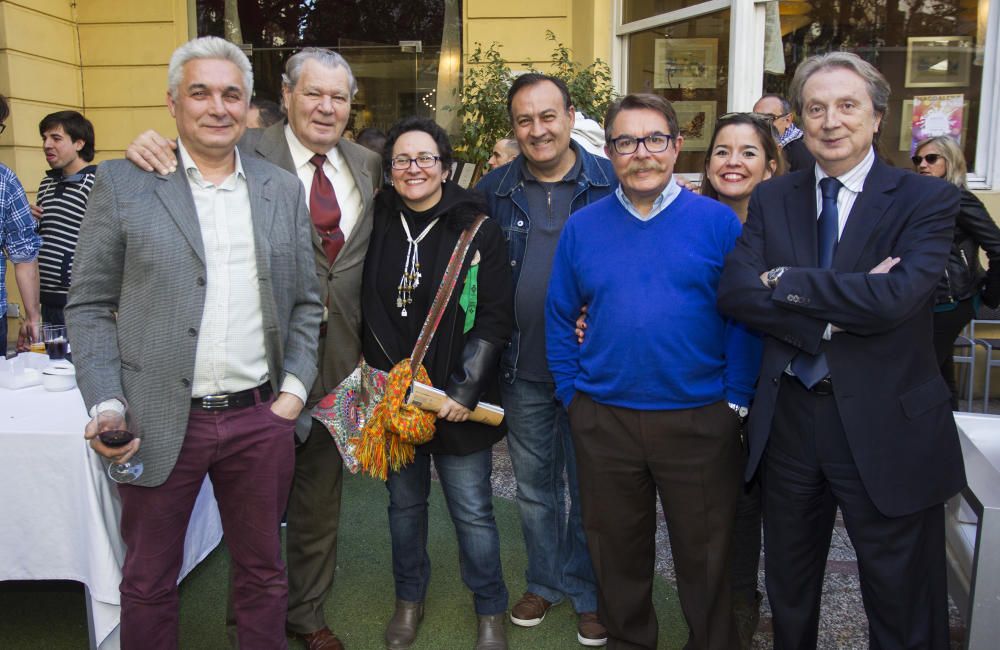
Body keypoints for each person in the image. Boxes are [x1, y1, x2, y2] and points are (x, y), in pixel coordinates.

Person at [66, 36, 323, 649]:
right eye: (200, 92)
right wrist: (107, 402)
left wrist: (291, 393)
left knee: (263, 575)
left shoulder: (279, 190)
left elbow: (307, 303)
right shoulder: (123, 184)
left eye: (231, 94)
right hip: (154, 419)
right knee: (149, 577)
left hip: (259, 419)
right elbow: (89, 305)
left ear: (249, 106)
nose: (217, 107)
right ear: (173, 103)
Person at [126, 47, 382, 650]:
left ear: (351, 107)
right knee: (252, 521)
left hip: (341, 367)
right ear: (286, 96)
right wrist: (148, 145)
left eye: (339, 97)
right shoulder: (242, 151)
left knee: (320, 502)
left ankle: (306, 615)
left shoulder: (369, 164)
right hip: (254, 372)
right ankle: (248, 624)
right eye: (313, 93)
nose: (326, 107)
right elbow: (188, 147)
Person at [718, 52, 966, 649]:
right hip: (793, 422)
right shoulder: (776, 198)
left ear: (877, 116)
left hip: (888, 422)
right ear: (800, 120)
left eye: (847, 106)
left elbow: (899, 299)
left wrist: (787, 280)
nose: (832, 121)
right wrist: (833, 318)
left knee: (903, 598)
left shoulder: (924, 199)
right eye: (816, 108)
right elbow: (735, 293)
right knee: (791, 588)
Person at [546, 93, 761, 650]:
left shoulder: (717, 224)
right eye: (626, 142)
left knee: (706, 556)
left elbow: (745, 318)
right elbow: (558, 314)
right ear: (609, 150)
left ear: (675, 145)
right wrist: (574, 396)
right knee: (616, 552)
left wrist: (734, 400)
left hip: (698, 419)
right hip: (605, 420)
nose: (641, 153)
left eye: (654, 140)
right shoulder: (584, 226)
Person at [476, 72, 616, 647]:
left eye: (548, 116)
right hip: (522, 368)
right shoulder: (493, 189)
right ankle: (543, 580)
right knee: (535, 488)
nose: (538, 130)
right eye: (525, 120)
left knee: (590, 489)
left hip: (596, 371)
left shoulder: (611, 181)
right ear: (514, 127)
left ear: (570, 115)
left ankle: (587, 591)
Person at [363, 117, 512, 650]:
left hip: (455, 401)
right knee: (404, 507)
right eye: (402, 159)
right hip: (396, 401)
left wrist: (462, 391)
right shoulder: (376, 219)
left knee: (471, 510)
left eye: (425, 158)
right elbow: (365, 306)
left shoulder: (477, 227)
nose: (414, 168)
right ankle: (409, 599)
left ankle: (490, 609)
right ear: (390, 170)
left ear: (446, 167)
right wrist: (393, 384)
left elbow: (495, 317)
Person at [701, 112, 783, 648]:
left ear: (771, 167)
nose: (733, 162)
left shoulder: (789, 227)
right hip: (707, 387)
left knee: (771, 503)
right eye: (722, 151)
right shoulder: (689, 219)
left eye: (748, 152)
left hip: (777, 387)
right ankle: (727, 609)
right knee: (720, 506)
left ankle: (749, 604)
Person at [914, 135, 1000, 408]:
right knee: (940, 371)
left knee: (920, 374)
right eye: (918, 160)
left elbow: (997, 245)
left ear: (951, 162)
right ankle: (952, 434)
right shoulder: (926, 200)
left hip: (953, 301)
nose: (922, 165)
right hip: (931, 301)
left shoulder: (959, 198)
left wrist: (990, 293)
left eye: (931, 159)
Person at [31, 110, 97, 327]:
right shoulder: (46, 184)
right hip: (47, 301)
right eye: (45, 138)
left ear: (79, 143)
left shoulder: (97, 183)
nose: (47, 145)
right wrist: (29, 220)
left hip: (81, 304)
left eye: (56, 138)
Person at [0, 93, 42, 353]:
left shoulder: (5, 181)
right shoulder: (4, 181)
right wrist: (32, 316)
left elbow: (24, 257)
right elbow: (24, 258)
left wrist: (32, 316)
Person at [753, 93, 814, 172]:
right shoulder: (752, 145)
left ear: (788, 120)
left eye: (769, 118)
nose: (760, 124)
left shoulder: (802, 153)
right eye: (755, 118)